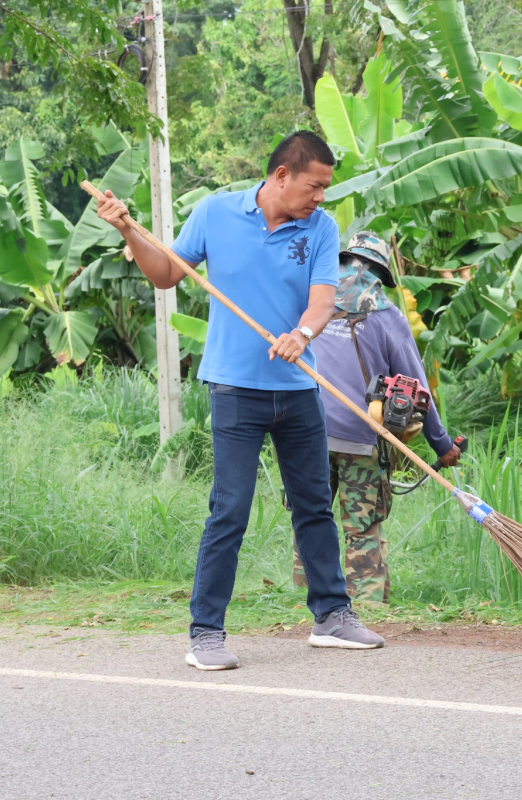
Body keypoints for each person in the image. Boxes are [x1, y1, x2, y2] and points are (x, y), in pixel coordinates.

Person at [96, 131, 382, 671]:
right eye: (314, 186)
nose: (320, 197)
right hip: (234, 387)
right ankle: (206, 632)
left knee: (314, 504)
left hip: (297, 389)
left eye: (326, 187)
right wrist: (126, 230)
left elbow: (324, 299)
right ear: (281, 176)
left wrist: (301, 334)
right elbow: (163, 276)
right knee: (229, 509)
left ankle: (332, 616)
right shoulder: (215, 214)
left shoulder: (320, 228)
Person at [291, 232, 461, 611]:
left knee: (308, 518)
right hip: (359, 437)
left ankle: (301, 599)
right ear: (379, 274)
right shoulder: (387, 317)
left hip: (305, 434)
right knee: (362, 525)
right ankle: (366, 605)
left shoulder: (313, 303)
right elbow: (417, 389)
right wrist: (443, 446)